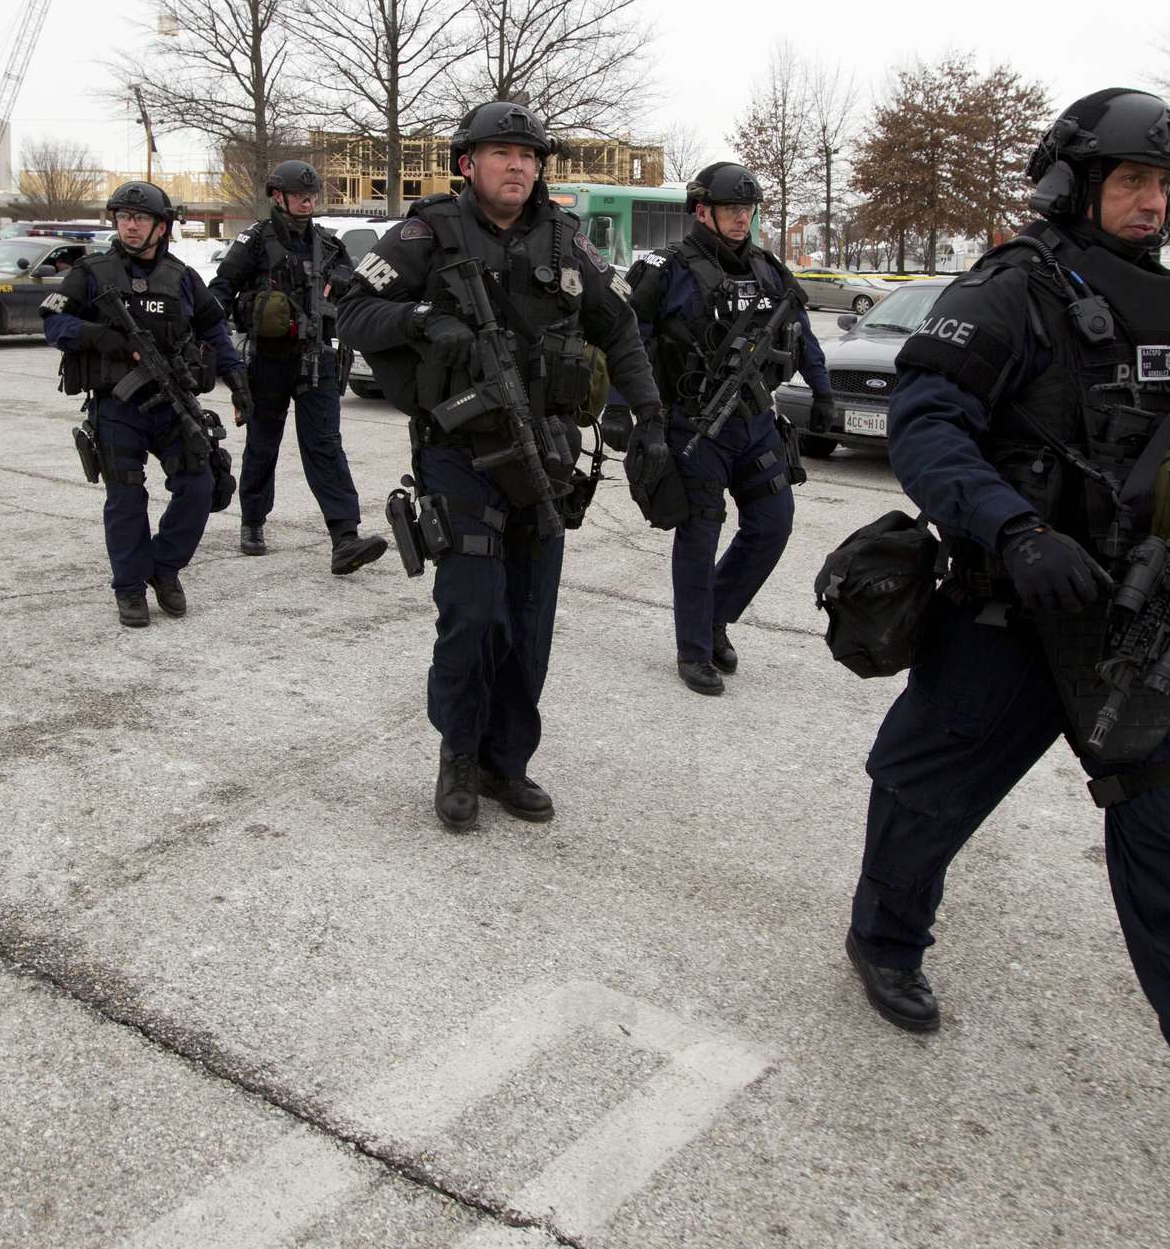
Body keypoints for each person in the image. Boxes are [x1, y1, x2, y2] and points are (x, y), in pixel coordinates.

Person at [846, 88, 1170, 1049]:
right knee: (921, 792)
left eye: (1164, 185)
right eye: (1133, 181)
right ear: (1074, 182)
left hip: (1135, 621)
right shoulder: (1012, 289)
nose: (1153, 202)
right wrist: (1016, 531)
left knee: (1160, 828)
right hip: (1014, 610)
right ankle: (885, 940)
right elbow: (928, 424)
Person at [336, 100, 666, 832]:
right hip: (461, 456)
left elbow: (621, 330)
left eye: (529, 155)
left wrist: (650, 419)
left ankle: (505, 763)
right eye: (501, 153)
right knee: (473, 614)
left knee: (528, 620)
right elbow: (351, 309)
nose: (518, 165)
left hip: (546, 452)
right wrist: (420, 320)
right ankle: (458, 754)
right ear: (468, 164)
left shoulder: (566, 242)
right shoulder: (428, 234)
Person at [606, 163, 833, 695]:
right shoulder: (665, 269)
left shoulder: (767, 268)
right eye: (732, 208)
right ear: (702, 209)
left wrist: (821, 392)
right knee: (700, 532)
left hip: (755, 422)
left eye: (748, 210)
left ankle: (716, 618)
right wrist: (619, 408)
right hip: (694, 425)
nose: (742, 218)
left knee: (773, 524)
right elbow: (624, 336)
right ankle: (693, 651)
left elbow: (798, 330)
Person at [40, 180, 252, 628]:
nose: (130, 226)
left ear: (162, 226)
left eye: (139, 219)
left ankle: (164, 567)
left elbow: (215, 331)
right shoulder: (92, 272)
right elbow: (54, 320)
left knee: (201, 484)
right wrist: (95, 335)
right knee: (126, 495)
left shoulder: (182, 277)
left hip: (172, 402)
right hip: (118, 405)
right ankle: (130, 588)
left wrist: (237, 381)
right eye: (123, 218)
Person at [208, 159, 387, 575]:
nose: (307, 202)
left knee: (324, 446)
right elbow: (220, 289)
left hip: (318, 358)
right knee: (263, 444)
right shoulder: (254, 242)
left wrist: (342, 283)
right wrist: (221, 332)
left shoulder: (327, 243)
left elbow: (357, 283)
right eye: (299, 195)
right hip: (268, 359)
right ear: (277, 196)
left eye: (311, 195)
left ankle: (345, 536)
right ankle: (252, 521)